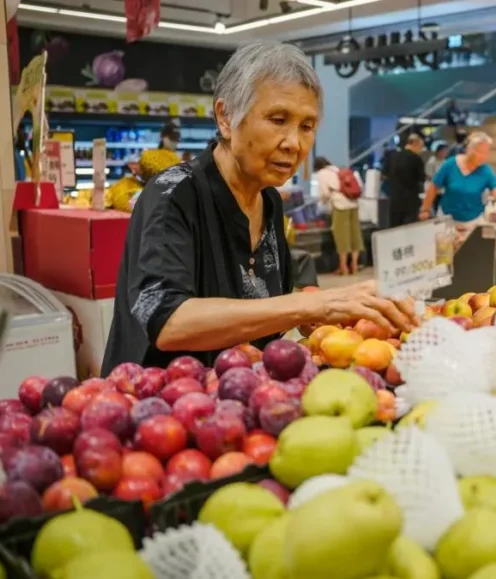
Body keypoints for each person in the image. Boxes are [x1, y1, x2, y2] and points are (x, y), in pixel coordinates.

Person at [102, 41, 415, 374]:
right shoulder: (174, 194)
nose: (294, 143)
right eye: (278, 119)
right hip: (161, 409)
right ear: (226, 117)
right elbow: (167, 322)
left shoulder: (269, 201)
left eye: (306, 127)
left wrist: (317, 315)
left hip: (243, 404)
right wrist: (312, 304)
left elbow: (259, 310)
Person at [420, 132, 496, 224]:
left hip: (474, 220)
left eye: (486, 153)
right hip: (447, 218)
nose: (483, 157)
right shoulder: (450, 164)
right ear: (469, 149)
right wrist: (425, 209)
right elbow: (434, 186)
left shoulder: (485, 170)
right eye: (479, 152)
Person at [315, 156, 364, 275]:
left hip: (339, 205)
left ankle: (343, 267)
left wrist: (321, 203)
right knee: (355, 234)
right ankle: (354, 265)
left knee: (341, 235)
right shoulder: (338, 170)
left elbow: (325, 193)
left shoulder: (322, 173)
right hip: (353, 203)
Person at [386, 134, 427, 226]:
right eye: (421, 146)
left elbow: (385, 175)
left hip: (394, 200)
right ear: (415, 144)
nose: (421, 150)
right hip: (410, 202)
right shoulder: (416, 159)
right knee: (409, 231)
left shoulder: (392, 156)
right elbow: (421, 178)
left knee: (393, 230)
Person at [426, 143, 449, 215]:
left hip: (444, 190)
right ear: (439, 151)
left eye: (446, 151)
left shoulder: (446, 162)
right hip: (435, 190)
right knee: (436, 209)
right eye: (444, 151)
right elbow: (429, 176)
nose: (445, 153)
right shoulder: (431, 162)